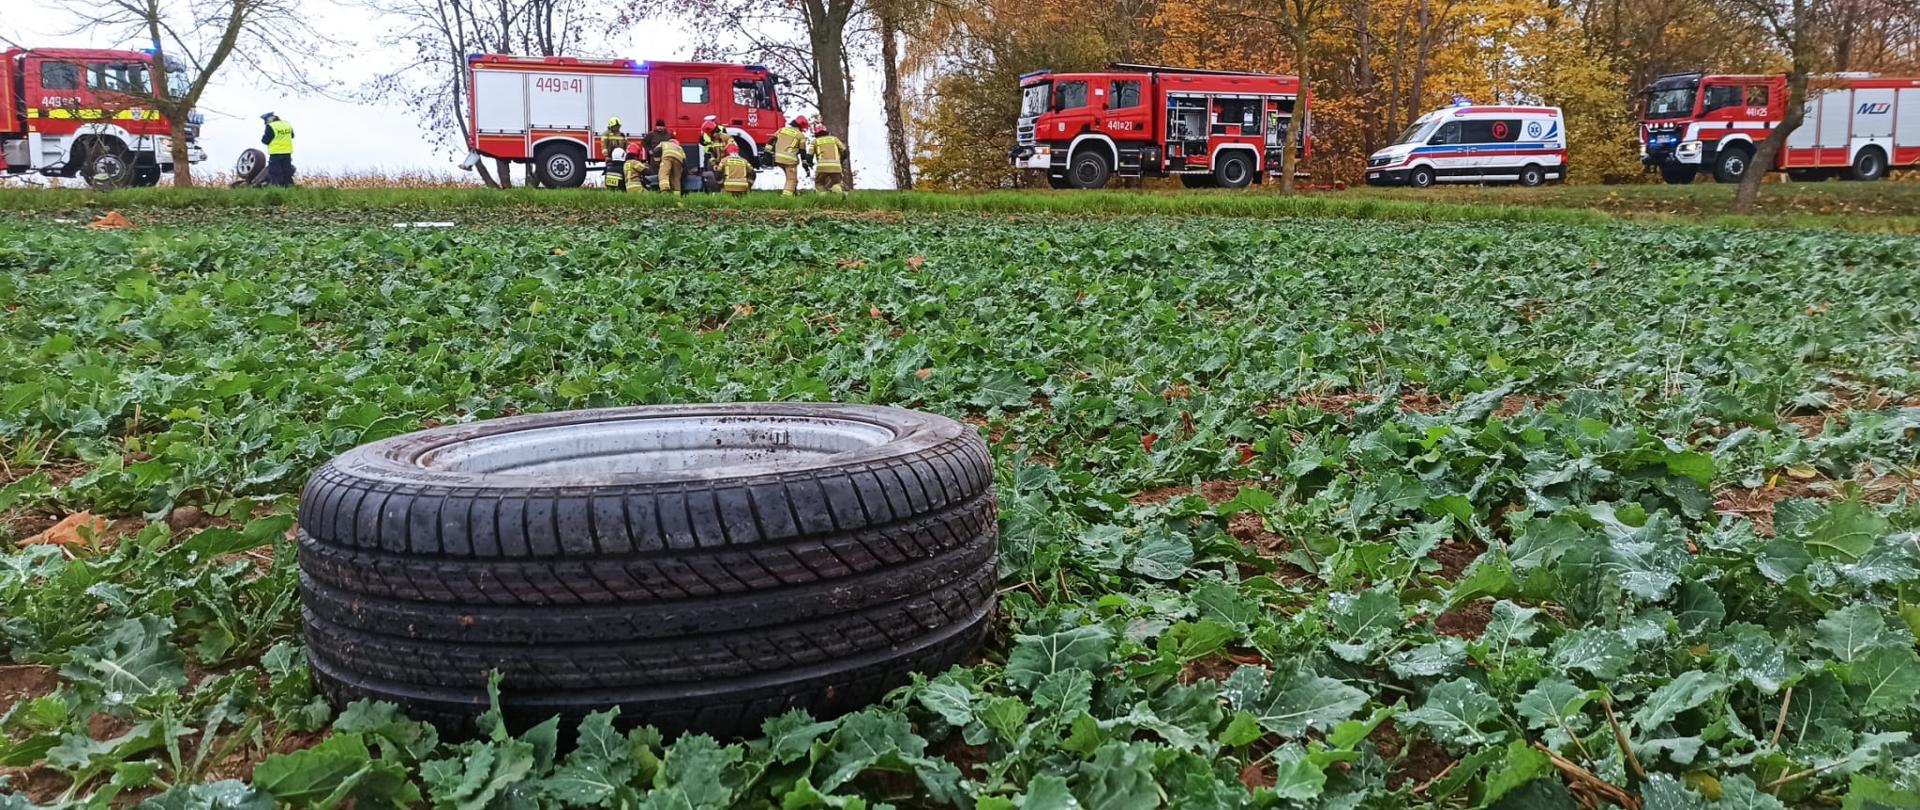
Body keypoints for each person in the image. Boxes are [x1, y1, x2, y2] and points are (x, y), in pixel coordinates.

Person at [772, 115, 809, 196]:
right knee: (791, 179)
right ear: (801, 126)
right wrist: (805, 164)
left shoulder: (781, 130)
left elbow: (771, 141)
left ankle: (795, 195)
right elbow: (803, 152)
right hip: (790, 161)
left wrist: (767, 153)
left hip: (778, 159)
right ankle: (785, 198)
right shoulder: (800, 135)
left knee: (791, 178)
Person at [259, 113, 295, 187]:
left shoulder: (271, 126)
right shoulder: (287, 124)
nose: (265, 122)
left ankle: (277, 187)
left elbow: (265, 140)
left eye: (265, 120)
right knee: (287, 170)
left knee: (275, 172)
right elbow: (292, 135)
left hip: (276, 153)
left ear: (270, 119)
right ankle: (289, 186)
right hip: (287, 152)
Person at [810, 123, 847, 194]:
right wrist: (840, 161)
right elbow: (845, 152)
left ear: (816, 133)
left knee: (819, 183)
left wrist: (810, 163)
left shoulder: (815, 141)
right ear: (826, 131)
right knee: (837, 182)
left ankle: (823, 197)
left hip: (822, 166)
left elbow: (809, 156)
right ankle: (837, 190)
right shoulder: (834, 139)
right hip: (835, 166)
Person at [601, 117, 627, 191]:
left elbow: (625, 145)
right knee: (609, 171)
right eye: (616, 126)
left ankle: (621, 186)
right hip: (610, 156)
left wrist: (626, 154)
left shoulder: (621, 134)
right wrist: (606, 156)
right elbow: (604, 146)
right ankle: (609, 187)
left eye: (618, 126)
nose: (618, 128)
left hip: (621, 156)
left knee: (621, 171)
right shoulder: (606, 134)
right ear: (611, 126)